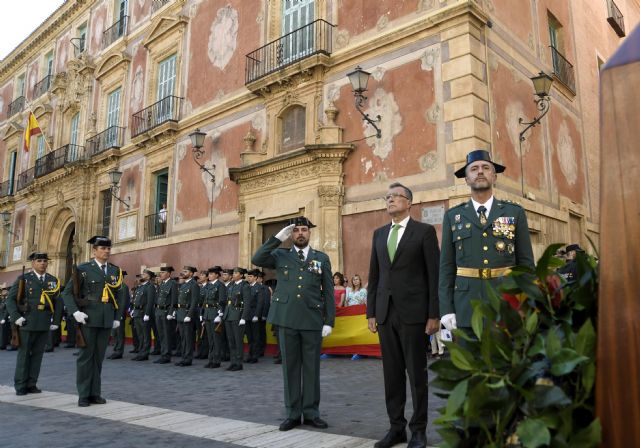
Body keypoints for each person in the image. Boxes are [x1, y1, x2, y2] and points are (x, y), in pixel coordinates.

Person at [367, 183, 440, 448]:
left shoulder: (424, 232)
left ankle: (418, 429)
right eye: (387, 197)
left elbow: (434, 275)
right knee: (392, 374)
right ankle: (396, 427)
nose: (390, 200)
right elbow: (374, 276)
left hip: (414, 314)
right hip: (386, 313)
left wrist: (434, 314)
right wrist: (371, 312)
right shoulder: (379, 234)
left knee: (417, 375)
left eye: (395, 196)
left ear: (409, 202)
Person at [252, 216, 335, 432]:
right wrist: (278, 237)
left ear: (309, 233)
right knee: (290, 368)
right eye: (296, 230)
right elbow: (257, 258)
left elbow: (328, 291)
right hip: (286, 318)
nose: (300, 233)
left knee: (311, 369)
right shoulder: (280, 255)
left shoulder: (321, 258)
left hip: (311, 319)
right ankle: (292, 413)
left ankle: (311, 413)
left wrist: (329, 321)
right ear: (292, 234)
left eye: (304, 230)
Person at [439, 149, 535, 334]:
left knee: (505, 362)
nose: (480, 171)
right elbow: (446, 267)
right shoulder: (453, 216)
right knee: (469, 361)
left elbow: (526, 265)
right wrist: (446, 309)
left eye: (485, 167)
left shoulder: (514, 212)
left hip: (506, 305)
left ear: (494, 176)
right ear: (466, 179)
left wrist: (526, 304)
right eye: (474, 169)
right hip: (465, 308)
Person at [62, 236, 126, 407]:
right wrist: (75, 312)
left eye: (108, 249)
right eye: (103, 249)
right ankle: (83, 394)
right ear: (94, 251)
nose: (106, 251)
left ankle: (95, 393)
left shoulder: (114, 271)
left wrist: (117, 317)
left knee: (98, 358)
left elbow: (120, 296)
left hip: (106, 319)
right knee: (85, 358)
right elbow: (66, 293)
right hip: (88, 317)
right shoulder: (83, 269)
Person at [6, 252, 62, 395]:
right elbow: (10, 300)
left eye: (45, 261)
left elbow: (58, 302)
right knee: (24, 355)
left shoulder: (52, 281)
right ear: (33, 263)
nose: (43, 263)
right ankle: (20, 385)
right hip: (27, 322)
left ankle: (32, 383)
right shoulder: (24, 279)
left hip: (43, 323)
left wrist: (56, 321)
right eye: (39, 261)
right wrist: (16, 316)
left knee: (37, 355)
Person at [222, 267, 252, 371]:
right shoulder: (231, 285)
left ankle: (239, 363)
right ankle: (233, 362)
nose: (233, 275)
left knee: (238, 341)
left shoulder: (245, 286)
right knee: (231, 341)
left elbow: (247, 303)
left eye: (236, 273)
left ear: (241, 275)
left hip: (238, 316)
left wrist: (243, 317)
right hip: (229, 315)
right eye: (233, 273)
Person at [201, 266, 227, 368]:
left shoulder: (220, 285)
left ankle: (216, 360)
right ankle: (211, 359)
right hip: (207, 314)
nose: (209, 276)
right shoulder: (207, 286)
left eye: (211, 274)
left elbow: (222, 301)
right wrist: (202, 315)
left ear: (216, 275)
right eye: (209, 274)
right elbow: (205, 301)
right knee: (210, 339)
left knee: (216, 339)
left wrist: (219, 314)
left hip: (214, 314)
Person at [174, 266, 199, 367]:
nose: (183, 273)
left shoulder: (193, 285)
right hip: (181, 313)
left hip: (187, 314)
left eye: (186, 271)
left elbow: (194, 301)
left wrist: (189, 315)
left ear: (191, 274)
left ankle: (188, 359)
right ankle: (184, 357)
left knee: (188, 338)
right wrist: (176, 311)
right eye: (183, 271)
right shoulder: (184, 285)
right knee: (183, 338)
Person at [131, 269, 156, 361]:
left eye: (144, 274)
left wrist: (147, 314)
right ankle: (140, 352)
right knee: (140, 334)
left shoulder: (150, 287)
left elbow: (150, 302)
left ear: (148, 277)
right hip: (137, 313)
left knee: (145, 335)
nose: (142, 275)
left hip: (143, 313)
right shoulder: (140, 287)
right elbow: (136, 300)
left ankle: (145, 353)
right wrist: (133, 310)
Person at [154, 266, 177, 364]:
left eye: (162, 272)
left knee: (167, 335)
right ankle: (163, 354)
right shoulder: (162, 284)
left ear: (168, 273)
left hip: (166, 312)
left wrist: (171, 312)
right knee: (161, 334)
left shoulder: (173, 284)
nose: (160, 274)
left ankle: (167, 355)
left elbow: (174, 300)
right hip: (159, 311)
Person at [107, 271, 130, 359]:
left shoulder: (123, 287)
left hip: (119, 314)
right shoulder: (115, 287)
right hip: (114, 313)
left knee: (119, 333)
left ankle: (119, 351)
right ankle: (116, 348)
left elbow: (123, 302)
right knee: (115, 332)